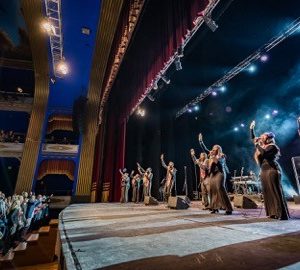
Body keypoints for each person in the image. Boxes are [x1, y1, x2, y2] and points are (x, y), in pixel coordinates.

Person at [250, 120, 289, 220]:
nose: (261, 137)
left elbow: (263, 153)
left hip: (272, 170)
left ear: (268, 138)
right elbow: (253, 139)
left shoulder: (273, 147)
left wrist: (256, 144)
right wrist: (251, 129)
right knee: (267, 192)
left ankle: (282, 214)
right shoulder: (262, 146)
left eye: (263, 136)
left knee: (275, 191)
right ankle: (272, 213)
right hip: (264, 170)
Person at [198, 133, 233, 214]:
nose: (212, 150)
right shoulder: (211, 156)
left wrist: (213, 156)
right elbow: (205, 149)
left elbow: (218, 162)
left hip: (219, 174)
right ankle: (214, 208)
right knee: (212, 190)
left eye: (214, 149)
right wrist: (201, 141)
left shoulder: (222, 156)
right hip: (212, 175)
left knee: (220, 189)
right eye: (212, 149)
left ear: (218, 150)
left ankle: (228, 208)